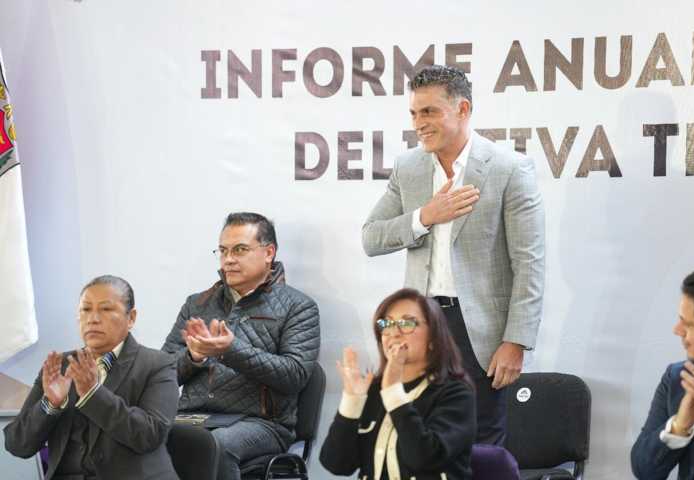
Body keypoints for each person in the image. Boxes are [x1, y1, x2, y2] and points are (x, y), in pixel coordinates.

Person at [362, 64, 545, 444]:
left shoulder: (509, 169)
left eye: (429, 112)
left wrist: (516, 341)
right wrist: (424, 217)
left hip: (478, 332)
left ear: (462, 109)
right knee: (417, 442)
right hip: (419, 326)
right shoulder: (408, 167)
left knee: (479, 446)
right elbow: (371, 238)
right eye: (414, 113)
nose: (419, 123)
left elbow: (529, 263)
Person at [161, 212, 320, 480]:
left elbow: (295, 375)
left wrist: (230, 350)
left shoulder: (299, 307)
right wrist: (194, 356)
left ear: (269, 252)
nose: (229, 259)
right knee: (136, 433)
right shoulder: (197, 304)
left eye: (240, 250)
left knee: (214, 446)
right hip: (192, 416)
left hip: (261, 423)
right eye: (223, 251)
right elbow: (162, 374)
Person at [4, 275, 179, 480]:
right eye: (86, 309)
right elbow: (17, 445)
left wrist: (93, 394)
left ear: (131, 318)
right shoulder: (60, 366)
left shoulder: (158, 364)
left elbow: (149, 436)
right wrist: (50, 404)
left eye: (106, 309)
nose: (93, 318)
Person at [320, 288, 476, 480]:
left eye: (407, 323)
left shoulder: (456, 393)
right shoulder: (373, 389)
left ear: (434, 338)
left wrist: (393, 393)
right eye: (386, 323)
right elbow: (336, 464)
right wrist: (352, 402)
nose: (393, 332)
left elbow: (424, 458)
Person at [632, 266, 694, 479]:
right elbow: (644, 471)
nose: (676, 330)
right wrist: (680, 426)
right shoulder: (678, 377)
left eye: (688, 324)